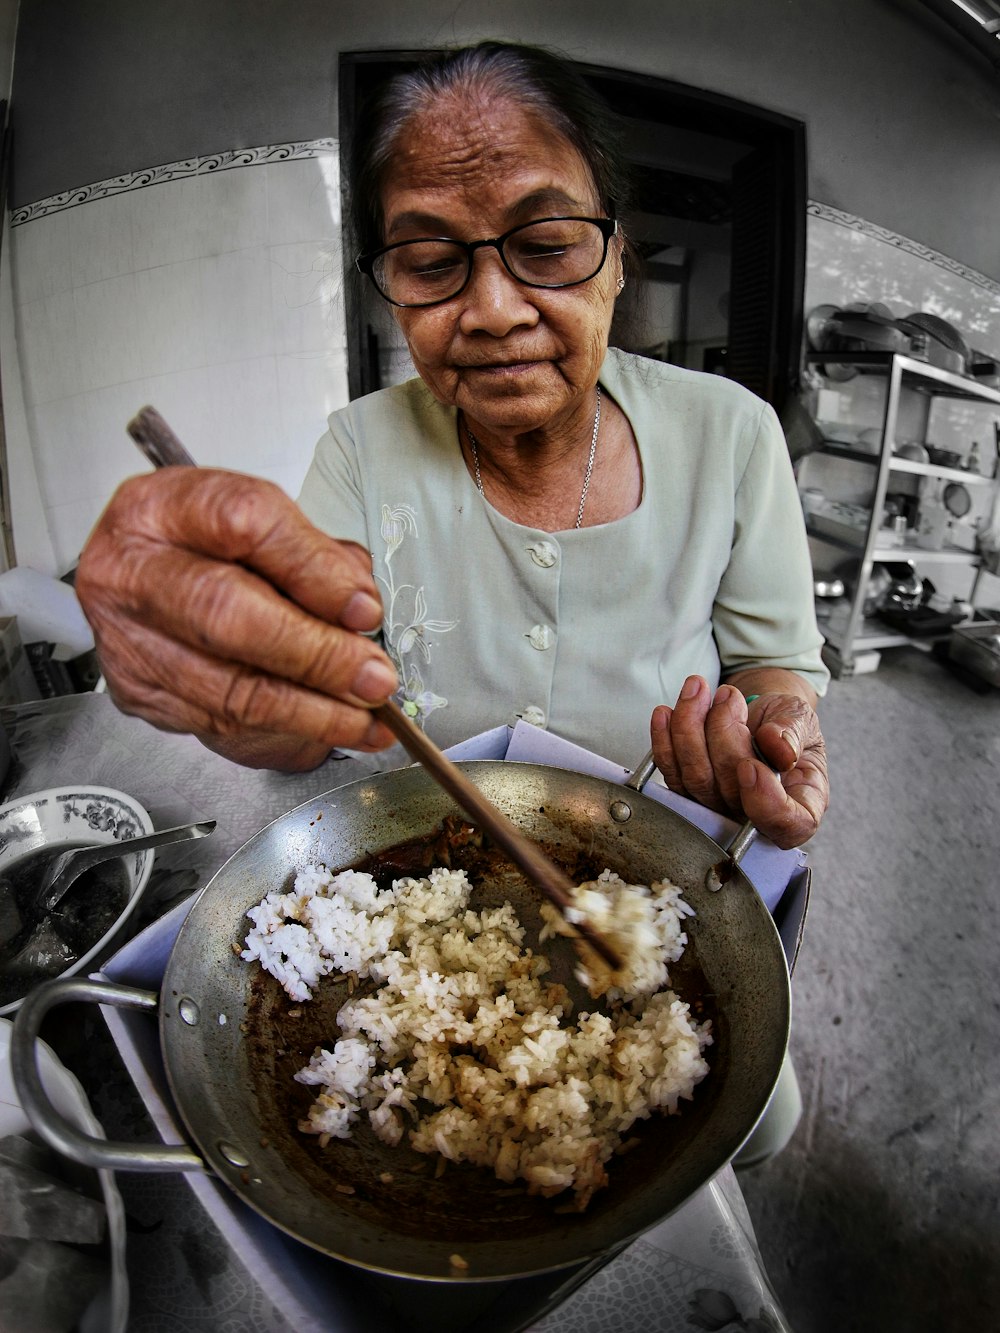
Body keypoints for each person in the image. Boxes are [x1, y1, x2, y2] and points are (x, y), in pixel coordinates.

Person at [77, 40, 829, 861]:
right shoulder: (360, 448)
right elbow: (307, 718)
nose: (495, 311)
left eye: (545, 245)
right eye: (432, 263)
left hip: (656, 848)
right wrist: (218, 680)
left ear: (616, 259)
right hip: (428, 857)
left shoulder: (733, 431)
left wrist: (767, 733)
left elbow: (770, 664)